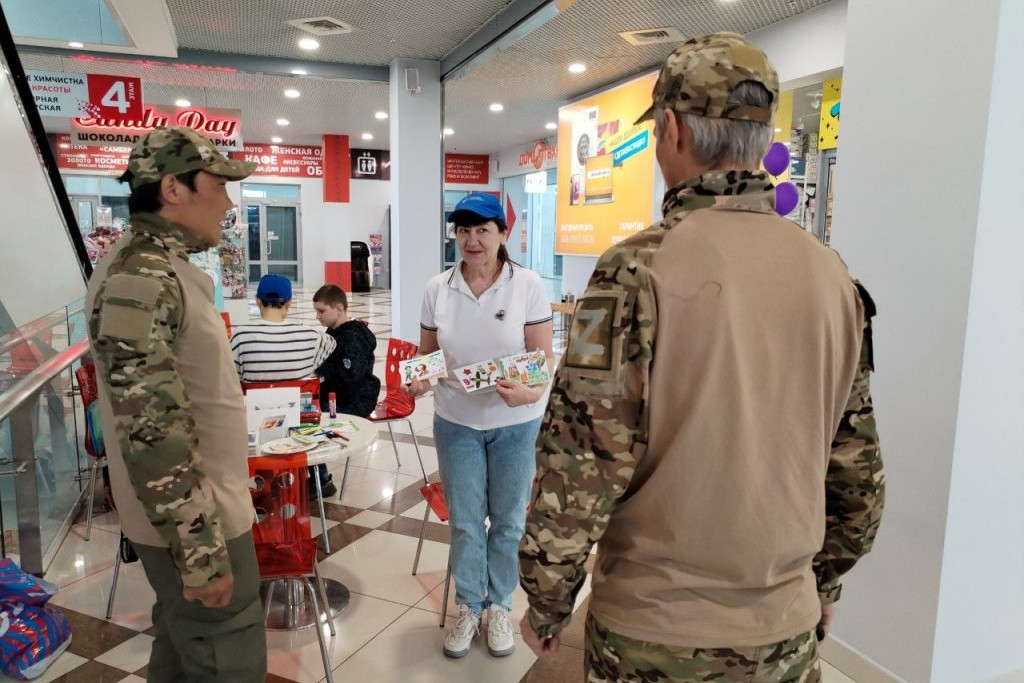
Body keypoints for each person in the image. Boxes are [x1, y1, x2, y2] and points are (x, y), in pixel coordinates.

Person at [518, 32, 886, 683]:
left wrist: (548, 601)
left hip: (652, 635)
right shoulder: (833, 277)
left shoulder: (636, 270)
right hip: (785, 634)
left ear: (672, 130)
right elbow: (858, 471)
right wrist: (821, 583)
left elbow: (581, 463)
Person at [86, 126, 266, 683]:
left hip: (197, 509)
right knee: (225, 651)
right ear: (173, 189)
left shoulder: (156, 265)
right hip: (197, 521)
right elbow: (150, 428)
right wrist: (200, 550)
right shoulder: (140, 276)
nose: (229, 204)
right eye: (219, 185)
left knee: (184, 643)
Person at [405, 192, 554, 659]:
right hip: (456, 421)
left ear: (502, 234)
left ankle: (500, 606)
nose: (473, 240)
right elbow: (427, 355)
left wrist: (531, 391)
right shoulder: (438, 288)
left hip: (516, 424)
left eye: (483, 230)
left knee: (508, 522)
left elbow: (542, 359)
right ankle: (470, 605)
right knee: (467, 522)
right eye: (464, 230)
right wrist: (419, 379)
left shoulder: (527, 284)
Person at [231, 274, 337, 497]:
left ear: (257, 301)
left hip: (255, 428)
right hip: (299, 425)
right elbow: (331, 344)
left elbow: (233, 377)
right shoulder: (312, 336)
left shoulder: (241, 336)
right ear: (289, 302)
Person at [312, 284, 381, 419]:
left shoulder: (353, 337)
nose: (317, 316)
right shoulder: (333, 330)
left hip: (355, 401)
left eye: (321, 311)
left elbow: (349, 376)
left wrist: (319, 365)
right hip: (338, 394)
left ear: (339, 308)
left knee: (308, 410)